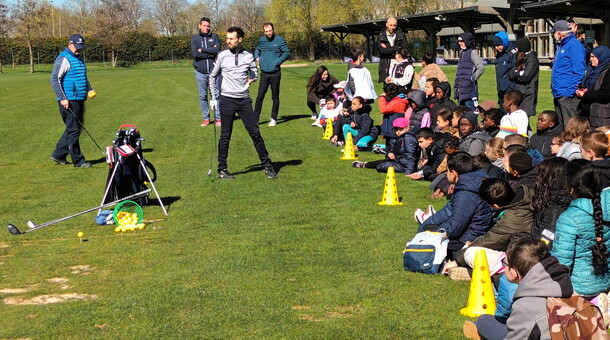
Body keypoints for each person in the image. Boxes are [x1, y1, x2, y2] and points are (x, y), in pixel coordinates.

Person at [464, 235, 575, 340]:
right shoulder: (568, 288)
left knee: (483, 321)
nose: (504, 266)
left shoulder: (525, 306)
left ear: (513, 272)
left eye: (505, 264)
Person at [209, 26, 276, 180]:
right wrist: (214, 97)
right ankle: (222, 169)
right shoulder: (222, 56)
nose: (228, 41)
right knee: (225, 135)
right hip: (227, 100)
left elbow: (254, 73)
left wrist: (248, 82)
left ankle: (267, 165)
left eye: (231, 39)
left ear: (240, 39)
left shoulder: (248, 56)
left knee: (255, 133)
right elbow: (212, 76)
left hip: (244, 101)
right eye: (227, 38)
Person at [418, 152, 494, 260]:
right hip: (467, 235)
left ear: (453, 173)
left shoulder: (466, 194)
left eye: (447, 170)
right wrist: (426, 227)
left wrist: (431, 235)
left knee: (429, 238)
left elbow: (454, 228)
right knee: (428, 229)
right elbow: (447, 212)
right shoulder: (469, 185)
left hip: (466, 241)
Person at [553, 159, 610, 297]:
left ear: (571, 188)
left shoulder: (569, 218)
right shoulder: (606, 206)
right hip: (606, 281)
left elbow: (562, 262)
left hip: (579, 289)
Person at [50, 34, 95, 168]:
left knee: (74, 128)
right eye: (77, 47)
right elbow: (55, 79)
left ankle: (58, 154)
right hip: (69, 100)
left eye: (81, 48)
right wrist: (63, 98)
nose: (79, 50)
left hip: (79, 98)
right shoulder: (64, 58)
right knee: (74, 130)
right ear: (70, 44)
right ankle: (78, 161)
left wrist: (89, 88)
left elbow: (82, 77)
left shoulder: (79, 58)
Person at [253, 22, 291, 127]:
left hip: (275, 73)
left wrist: (277, 62)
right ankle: (255, 119)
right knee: (260, 96)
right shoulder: (261, 40)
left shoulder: (280, 40)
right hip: (264, 73)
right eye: (266, 31)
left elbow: (287, 53)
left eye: (270, 31)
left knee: (275, 97)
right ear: (264, 32)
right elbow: (257, 50)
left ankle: (273, 118)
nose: (268, 33)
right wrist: (257, 57)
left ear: (273, 30)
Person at [550, 20, 586, 126]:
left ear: (559, 34)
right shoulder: (561, 45)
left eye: (554, 33)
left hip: (566, 94)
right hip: (558, 91)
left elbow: (579, 71)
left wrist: (569, 91)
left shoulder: (574, 45)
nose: (553, 35)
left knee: (570, 126)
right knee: (561, 125)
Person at [351, 117, 417, 174]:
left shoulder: (408, 138)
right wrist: (391, 154)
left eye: (401, 129)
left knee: (380, 166)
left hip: (404, 165)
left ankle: (364, 165)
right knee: (381, 162)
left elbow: (410, 157)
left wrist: (408, 172)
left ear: (407, 128)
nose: (398, 131)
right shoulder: (399, 138)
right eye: (396, 129)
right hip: (400, 162)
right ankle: (365, 164)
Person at [531, 157, 571, 249]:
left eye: (540, 175)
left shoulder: (555, 209)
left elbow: (546, 242)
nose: (537, 178)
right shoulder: (552, 200)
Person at [191, 17, 222, 127]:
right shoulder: (195, 39)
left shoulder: (215, 37)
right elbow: (195, 54)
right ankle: (206, 118)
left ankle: (218, 118)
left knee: (216, 95)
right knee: (203, 96)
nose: (206, 27)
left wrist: (203, 50)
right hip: (200, 72)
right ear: (200, 26)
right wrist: (210, 52)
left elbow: (217, 51)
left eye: (208, 26)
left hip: (214, 72)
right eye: (204, 25)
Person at [576, 45, 610, 129]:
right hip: (589, 114)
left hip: (602, 116)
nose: (590, 59)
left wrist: (585, 95)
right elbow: (594, 86)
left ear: (601, 57)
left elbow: (604, 94)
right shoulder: (594, 70)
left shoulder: (607, 72)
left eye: (593, 57)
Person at [509, 37, 539, 117]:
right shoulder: (519, 58)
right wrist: (518, 73)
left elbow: (525, 77)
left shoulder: (532, 59)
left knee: (524, 118)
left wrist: (517, 74)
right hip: (519, 91)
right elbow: (511, 74)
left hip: (527, 92)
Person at [454, 33, 484, 111]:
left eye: (461, 41)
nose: (459, 43)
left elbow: (480, 67)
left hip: (469, 90)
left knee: (471, 111)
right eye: (459, 41)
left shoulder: (472, 52)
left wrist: (472, 78)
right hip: (460, 89)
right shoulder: (462, 52)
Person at [376, 17, 407, 83]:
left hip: (398, 65)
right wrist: (396, 48)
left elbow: (404, 50)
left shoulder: (402, 35)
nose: (393, 27)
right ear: (386, 24)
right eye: (391, 25)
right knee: (387, 88)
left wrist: (388, 50)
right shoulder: (381, 36)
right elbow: (382, 51)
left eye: (394, 25)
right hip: (385, 65)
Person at [492, 31, 516, 109]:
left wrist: (510, 86)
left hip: (509, 89)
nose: (496, 48)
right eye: (495, 46)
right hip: (500, 89)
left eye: (498, 45)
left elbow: (515, 71)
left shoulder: (512, 53)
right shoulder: (499, 55)